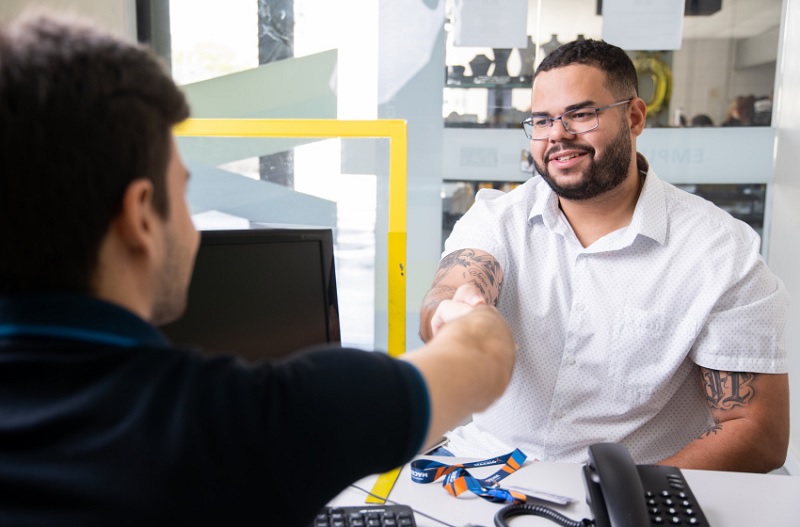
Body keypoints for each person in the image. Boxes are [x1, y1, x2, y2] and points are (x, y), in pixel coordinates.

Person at [0, 11, 516, 527]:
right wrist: (467, 309)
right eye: (182, 191)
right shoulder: (247, 422)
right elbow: (483, 358)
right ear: (140, 217)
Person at [420, 38, 789, 473]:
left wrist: (630, 497)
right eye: (541, 120)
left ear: (634, 117)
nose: (557, 134)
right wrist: (449, 312)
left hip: (633, 490)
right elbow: (448, 292)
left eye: (580, 114)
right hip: (484, 469)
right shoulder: (497, 219)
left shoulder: (720, 252)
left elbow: (757, 432)